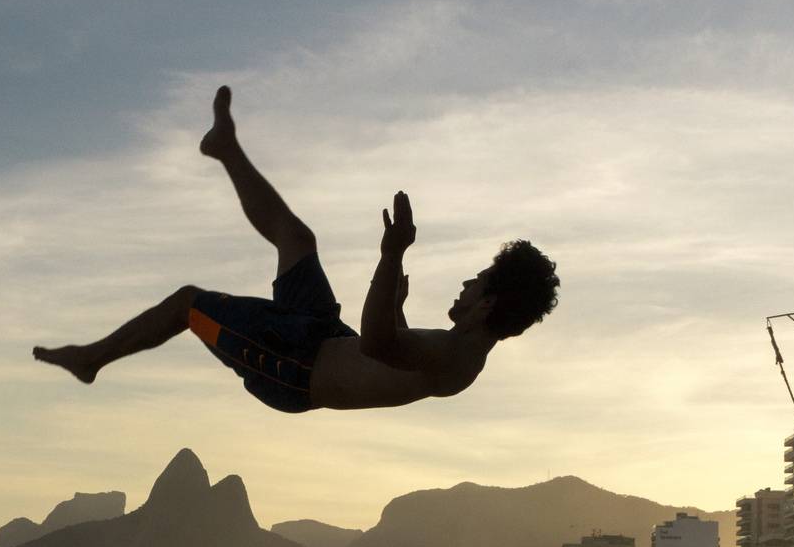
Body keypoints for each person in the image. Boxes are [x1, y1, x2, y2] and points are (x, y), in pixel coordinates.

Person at [33, 86, 559, 415]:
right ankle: (225, 148)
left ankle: (91, 359)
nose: (466, 284)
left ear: (489, 303)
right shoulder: (452, 350)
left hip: (288, 365)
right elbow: (394, 349)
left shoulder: (457, 358)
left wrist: (392, 254)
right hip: (320, 334)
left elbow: (378, 344)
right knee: (297, 239)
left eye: (477, 281)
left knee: (188, 305)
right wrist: (396, 302)